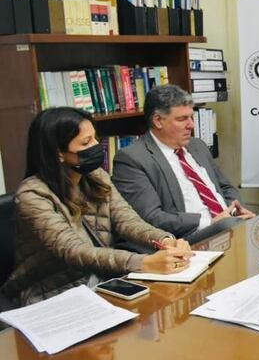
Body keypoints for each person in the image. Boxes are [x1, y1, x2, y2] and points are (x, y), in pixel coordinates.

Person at [0, 108, 193, 306]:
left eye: (95, 138)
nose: (96, 146)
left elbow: (128, 220)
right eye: (86, 142)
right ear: (58, 153)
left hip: (101, 281)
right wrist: (143, 262)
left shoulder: (96, 176)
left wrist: (165, 240)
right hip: (52, 294)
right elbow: (73, 251)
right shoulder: (32, 195)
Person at [112, 85, 254, 238]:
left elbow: (225, 187)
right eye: (182, 119)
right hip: (188, 239)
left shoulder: (197, 145)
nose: (191, 125)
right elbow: (152, 218)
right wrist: (211, 222)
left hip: (228, 227)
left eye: (191, 117)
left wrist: (235, 209)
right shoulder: (132, 159)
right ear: (158, 120)